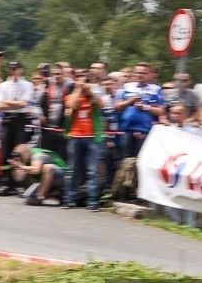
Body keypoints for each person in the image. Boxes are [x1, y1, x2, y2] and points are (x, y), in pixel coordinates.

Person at [61, 70, 106, 211]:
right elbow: (72, 105)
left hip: (91, 137)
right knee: (72, 169)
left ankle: (93, 201)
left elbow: (102, 105)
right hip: (75, 136)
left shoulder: (93, 97)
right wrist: (78, 89)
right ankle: (69, 199)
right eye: (81, 81)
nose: (84, 84)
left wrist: (90, 92)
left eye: (86, 81)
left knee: (92, 170)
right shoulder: (71, 95)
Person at [0, 60, 34, 196]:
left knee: (19, 152)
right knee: (5, 152)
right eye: (12, 69)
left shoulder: (28, 85)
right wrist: (13, 103)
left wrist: (7, 102)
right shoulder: (3, 85)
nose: (14, 71)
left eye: (17, 68)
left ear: (21, 69)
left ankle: (19, 184)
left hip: (21, 120)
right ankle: (6, 183)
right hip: (7, 120)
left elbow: (23, 104)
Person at [115, 62, 165, 157]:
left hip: (145, 131)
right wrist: (131, 101)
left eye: (143, 73)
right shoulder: (126, 86)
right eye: (137, 72)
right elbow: (117, 106)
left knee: (141, 160)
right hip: (127, 130)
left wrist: (145, 107)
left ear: (149, 74)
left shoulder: (156, 89)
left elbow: (161, 111)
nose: (139, 75)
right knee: (126, 160)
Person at [39, 63, 72, 161]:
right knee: (46, 155)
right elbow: (35, 104)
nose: (56, 76)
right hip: (47, 128)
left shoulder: (70, 86)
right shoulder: (46, 86)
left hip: (62, 128)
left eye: (59, 74)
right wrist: (40, 115)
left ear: (63, 74)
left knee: (62, 157)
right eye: (54, 74)